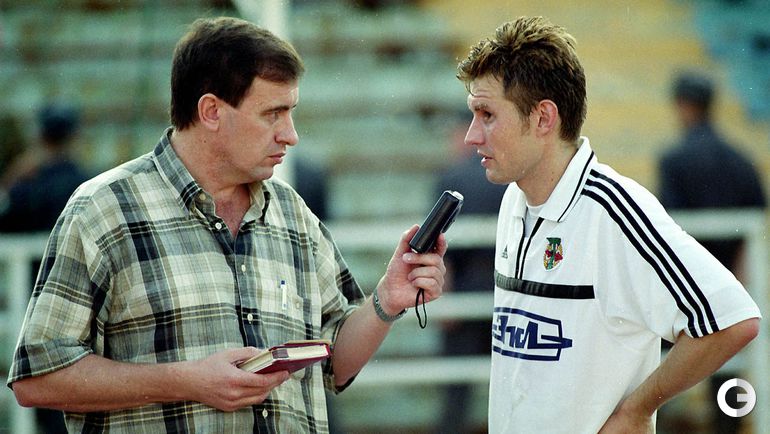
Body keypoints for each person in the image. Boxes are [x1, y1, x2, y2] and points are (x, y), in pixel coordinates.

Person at [7, 17, 446, 433]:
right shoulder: (104, 210)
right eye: (272, 114)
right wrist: (186, 381)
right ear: (212, 111)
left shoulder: (292, 213)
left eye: (291, 112)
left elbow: (335, 364)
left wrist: (387, 300)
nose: (291, 134)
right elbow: (37, 378)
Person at [456, 16, 760, 433]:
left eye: (487, 114)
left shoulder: (613, 210)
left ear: (543, 118)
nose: (472, 135)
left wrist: (638, 410)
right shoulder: (514, 199)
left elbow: (733, 318)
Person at [657, 70, 767, 434]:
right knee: (728, 367)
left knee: (667, 363)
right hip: (731, 282)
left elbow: (670, 231)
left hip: (687, 285)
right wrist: (736, 276)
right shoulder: (741, 160)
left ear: (683, 106)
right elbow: (754, 226)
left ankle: (662, 423)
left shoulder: (674, 161)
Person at [434, 111, 505, 433]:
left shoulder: (451, 177)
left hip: (463, 285)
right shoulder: (507, 177)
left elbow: (437, 243)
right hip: (506, 287)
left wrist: (445, 300)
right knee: (511, 382)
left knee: (456, 394)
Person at [0, 104, 90, 233]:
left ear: (40, 136)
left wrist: (11, 177)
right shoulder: (86, 184)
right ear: (74, 136)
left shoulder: (24, 184)